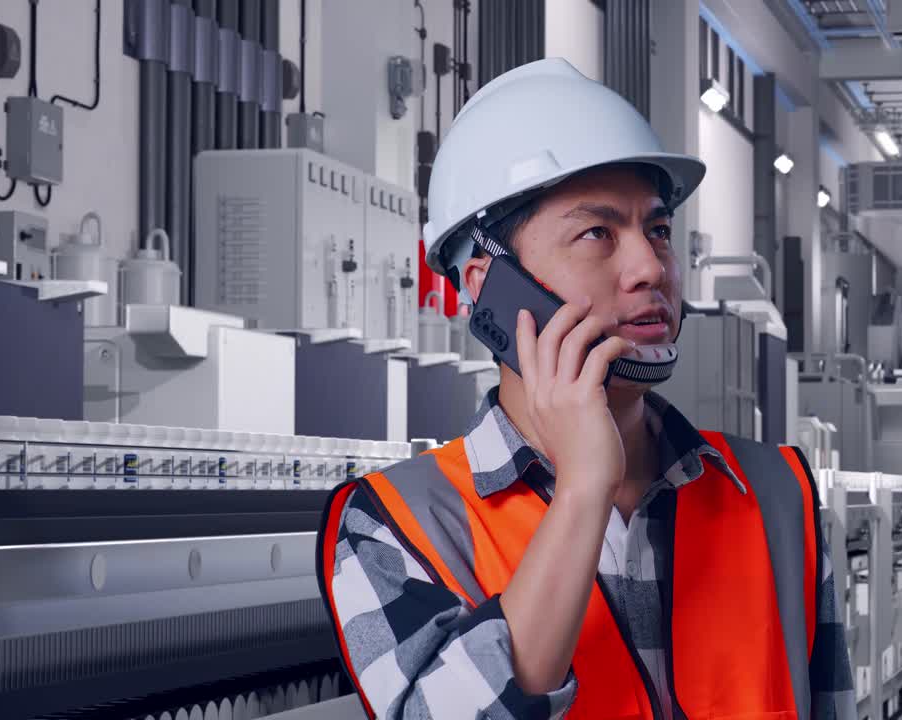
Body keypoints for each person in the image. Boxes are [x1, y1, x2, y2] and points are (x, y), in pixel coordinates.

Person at [315, 58, 855, 720]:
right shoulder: (393, 525)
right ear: (487, 286)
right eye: (597, 233)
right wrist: (582, 490)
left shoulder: (777, 493)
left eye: (657, 229)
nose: (651, 266)